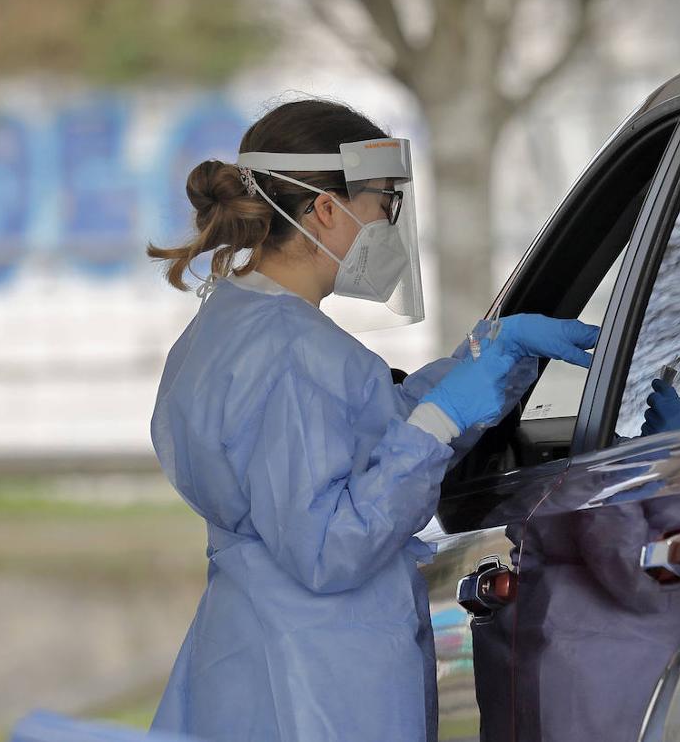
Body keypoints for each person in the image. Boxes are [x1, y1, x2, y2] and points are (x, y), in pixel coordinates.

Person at [144, 98, 599, 742]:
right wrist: (440, 419)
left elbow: (361, 438)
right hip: (321, 680)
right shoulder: (294, 352)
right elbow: (330, 546)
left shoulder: (230, 323)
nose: (391, 222)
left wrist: (491, 356)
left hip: (256, 652)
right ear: (325, 209)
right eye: (383, 203)